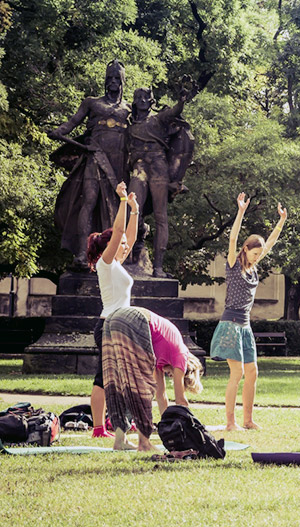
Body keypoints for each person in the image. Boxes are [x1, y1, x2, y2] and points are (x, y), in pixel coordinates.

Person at [210, 192, 287, 431]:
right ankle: (231, 422)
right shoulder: (234, 265)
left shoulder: (254, 268)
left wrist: (282, 221)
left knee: (252, 371)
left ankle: (248, 419)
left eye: (259, 255)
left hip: (245, 326)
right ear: (246, 250)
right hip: (230, 323)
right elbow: (232, 240)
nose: (257, 257)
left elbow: (271, 243)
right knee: (238, 372)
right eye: (254, 253)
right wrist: (240, 212)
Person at [49, 60, 131, 270]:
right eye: (109, 78)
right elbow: (73, 121)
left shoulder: (128, 108)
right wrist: (60, 131)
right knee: (90, 200)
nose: (113, 82)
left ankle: (111, 251)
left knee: (116, 204)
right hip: (95, 157)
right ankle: (82, 252)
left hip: (118, 163)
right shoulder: (92, 102)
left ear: (122, 81)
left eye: (116, 78)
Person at [102, 306, 204, 451]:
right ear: (186, 369)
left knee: (118, 383)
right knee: (141, 387)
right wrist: (189, 430)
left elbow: (161, 396)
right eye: (176, 376)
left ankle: (120, 440)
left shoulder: (160, 356)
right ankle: (144, 443)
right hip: (135, 319)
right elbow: (180, 400)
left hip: (113, 318)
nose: (172, 376)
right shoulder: (181, 354)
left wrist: (168, 429)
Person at [85, 182, 139, 439]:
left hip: (120, 327)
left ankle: (118, 422)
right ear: (110, 245)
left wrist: (135, 211)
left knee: (120, 378)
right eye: (121, 243)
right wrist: (121, 201)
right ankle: (98, 428)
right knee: (102, 378)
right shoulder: (105, 264)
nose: (126, 245)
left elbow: (130, 235)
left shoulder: (116, 264)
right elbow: (119, 230)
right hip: (108, 325)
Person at [126, 87, 193, 277]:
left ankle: (158, 267)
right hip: (138, 167)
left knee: (160, 216)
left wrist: (181, 101)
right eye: (138, 97)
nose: (142, 100)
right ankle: (127, 259)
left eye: (145, 97)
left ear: (151, 101)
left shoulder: (158, 118)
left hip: (158, 166)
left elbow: (174, 112)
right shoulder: (129, 124)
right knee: (132, 212)